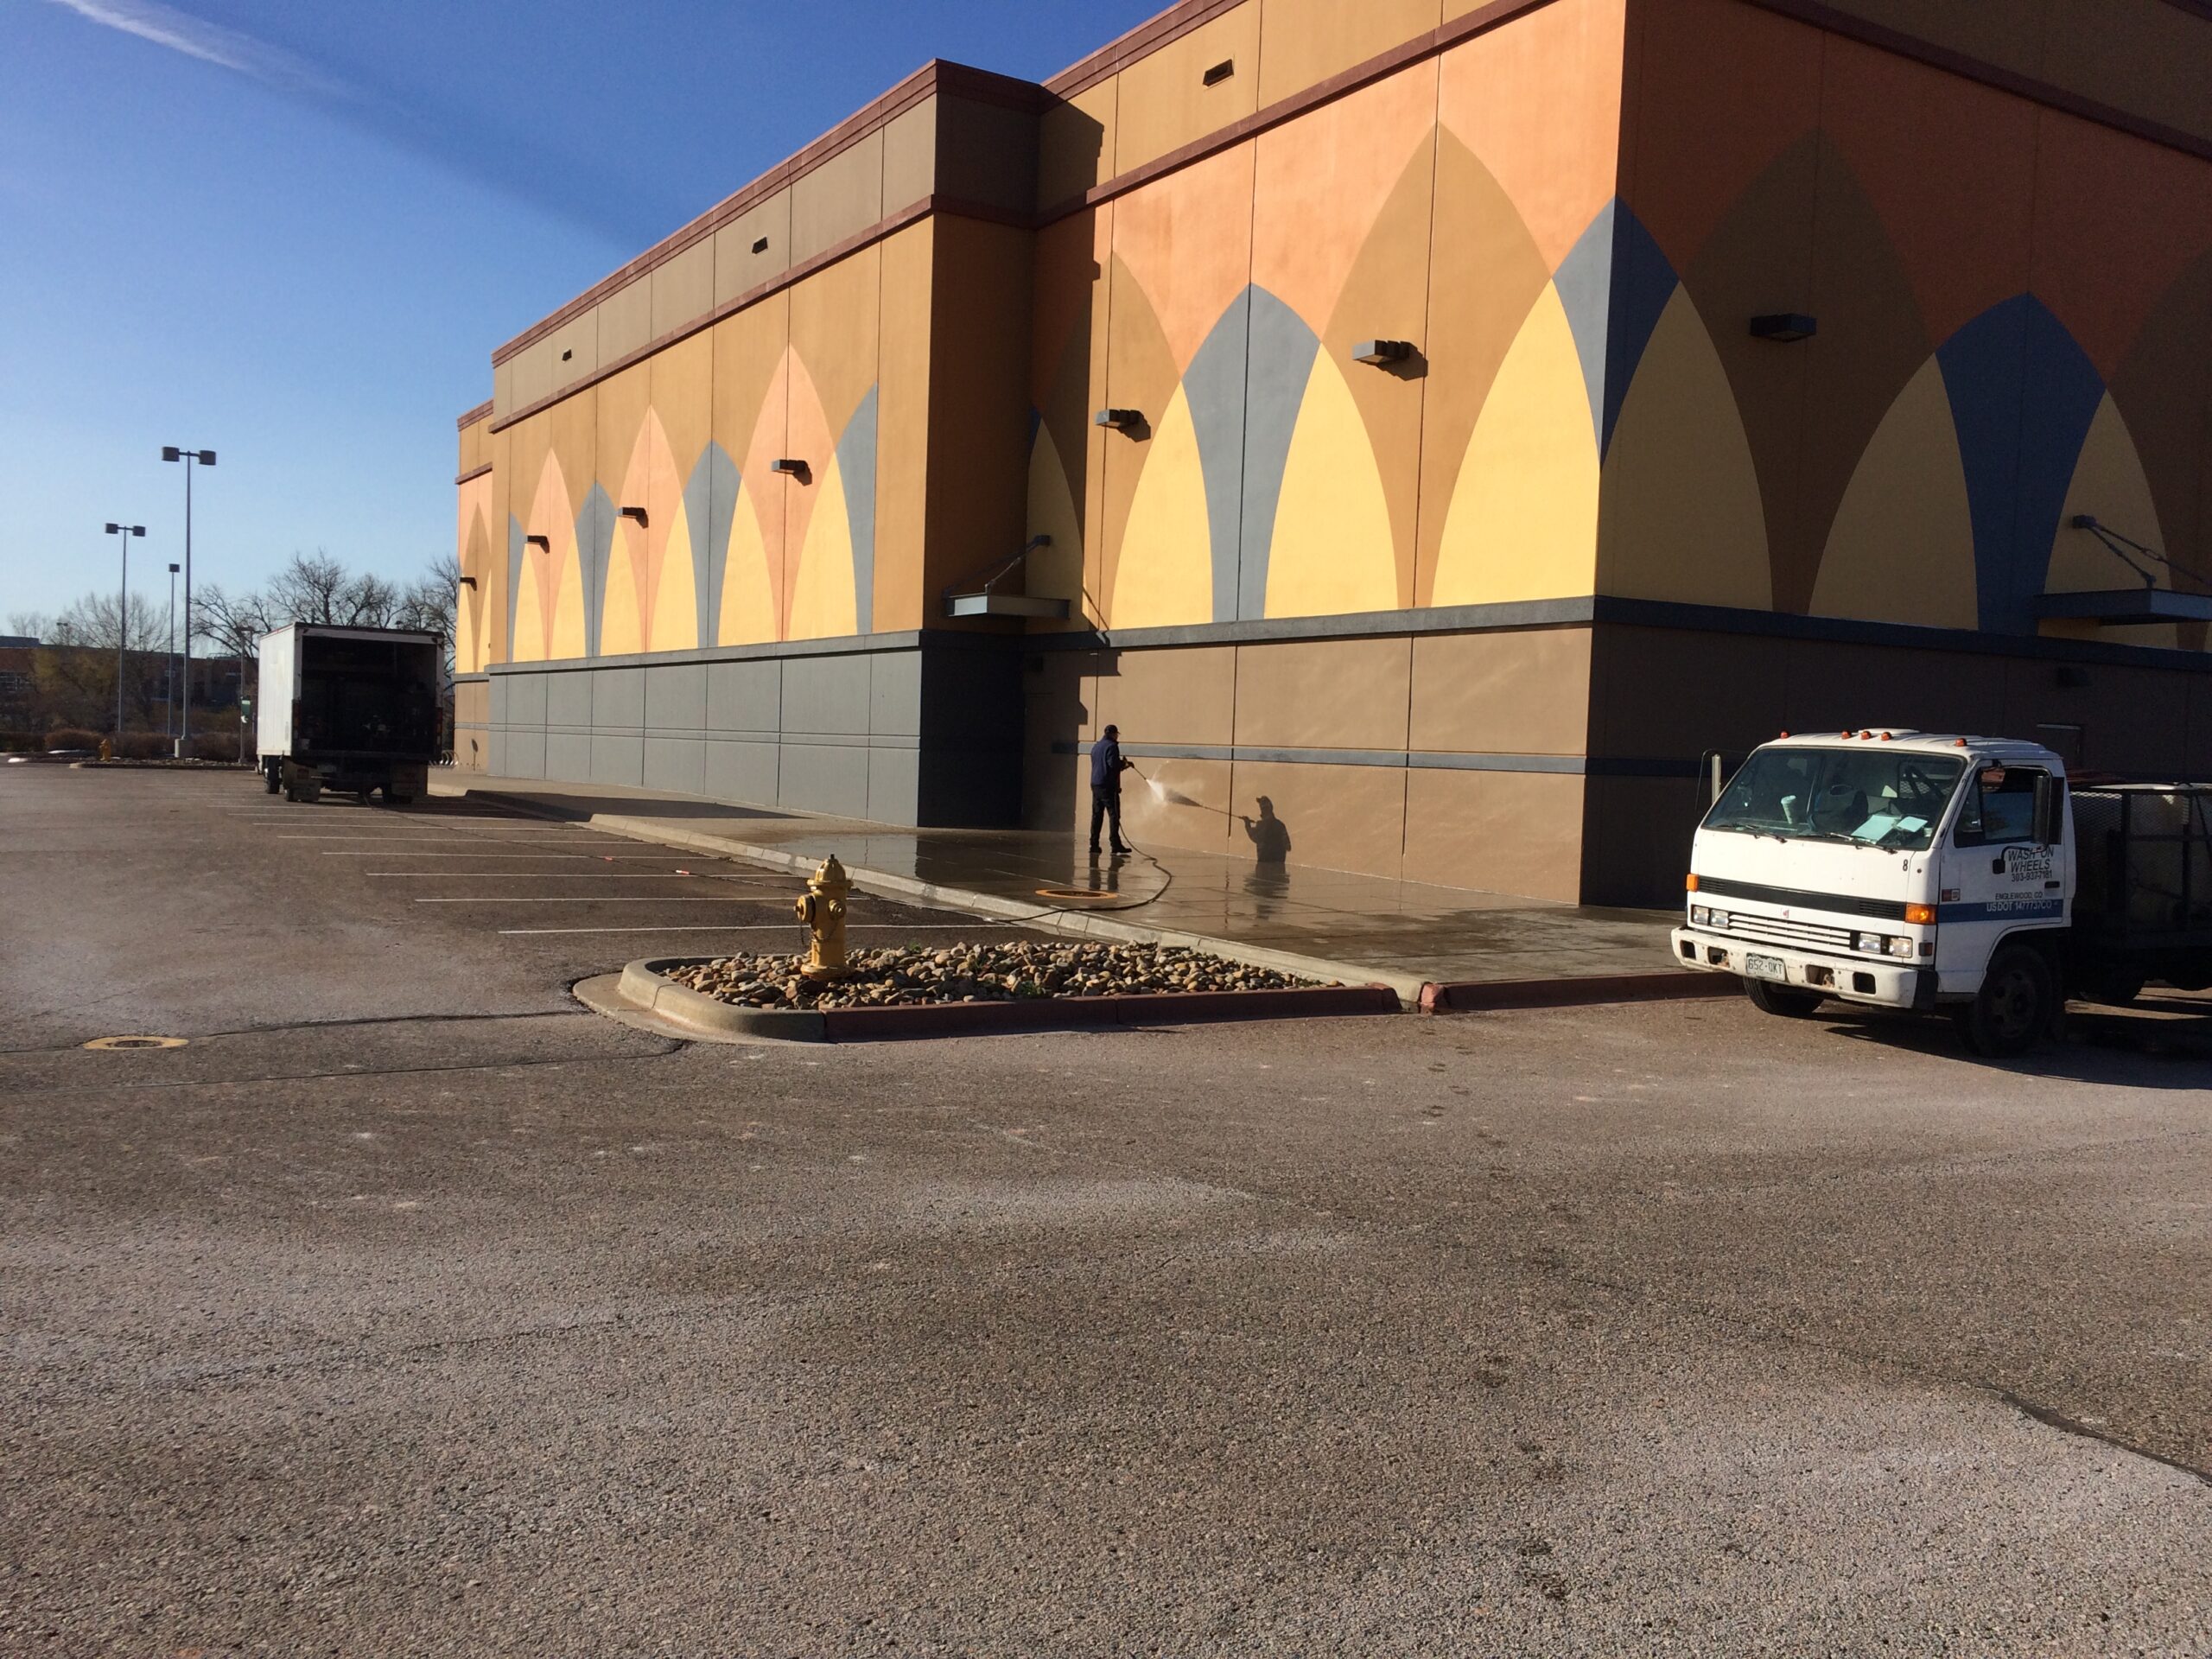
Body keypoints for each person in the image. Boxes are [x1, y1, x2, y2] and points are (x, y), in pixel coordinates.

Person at [1089, 723, 1134, 856]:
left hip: (1095, 785)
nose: (1116, 737)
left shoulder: (1096, 746)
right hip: (1107, 786)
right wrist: (1124, 764)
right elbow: (1112, 765)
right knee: (1114, 815)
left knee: (1097, 815)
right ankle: (1115, 844)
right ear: (1113, 734)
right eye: (1116, 734)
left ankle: (1094, 844)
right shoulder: (1112, 746)